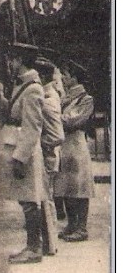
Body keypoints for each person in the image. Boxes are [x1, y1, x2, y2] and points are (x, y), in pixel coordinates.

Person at [0, 43, 47, 264]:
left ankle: (33, 248)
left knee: (29, 200)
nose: (10, 63)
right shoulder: (24, 85)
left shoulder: (33, 88)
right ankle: (34, 246)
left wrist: (20, 158)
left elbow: (32, 126)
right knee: (27, 199)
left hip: (24, 150)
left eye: (12, 59)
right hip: (19, 146)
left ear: (20, 60)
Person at [57, 60, 94, 242]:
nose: (63, 78)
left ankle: (82, 227)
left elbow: (74, 121)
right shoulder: (64, 98)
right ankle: (71, 224)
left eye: (66, 75)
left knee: (80, 187)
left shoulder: (85, 99)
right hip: (65, 145)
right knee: (66, 186)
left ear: (75, 78)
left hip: (77, 145)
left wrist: (57, 118)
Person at [35, 57, 65, 257]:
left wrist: (41, 145)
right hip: (48, 154)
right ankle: (48, 243)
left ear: (43, 76)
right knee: (45, 199)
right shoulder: (47, 95)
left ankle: (49, 244)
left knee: (46, 200)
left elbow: (56, 135)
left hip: (48, 155)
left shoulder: (48, 100)